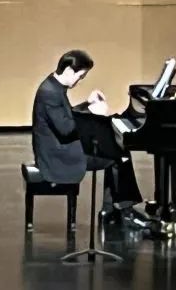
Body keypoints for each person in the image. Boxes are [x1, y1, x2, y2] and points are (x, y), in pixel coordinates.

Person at [31, 49, 145, 224]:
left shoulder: (53, 86)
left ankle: (113, 210)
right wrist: (92, 111)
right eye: (80, 76)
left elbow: (66, 115)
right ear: (69, 70)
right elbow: (65, 129)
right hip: (56, 157)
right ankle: (122, 211)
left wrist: (87, 103)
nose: (79, 81)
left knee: (115, 149)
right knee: (118, 156)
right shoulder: (49, 92)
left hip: (60, 148)